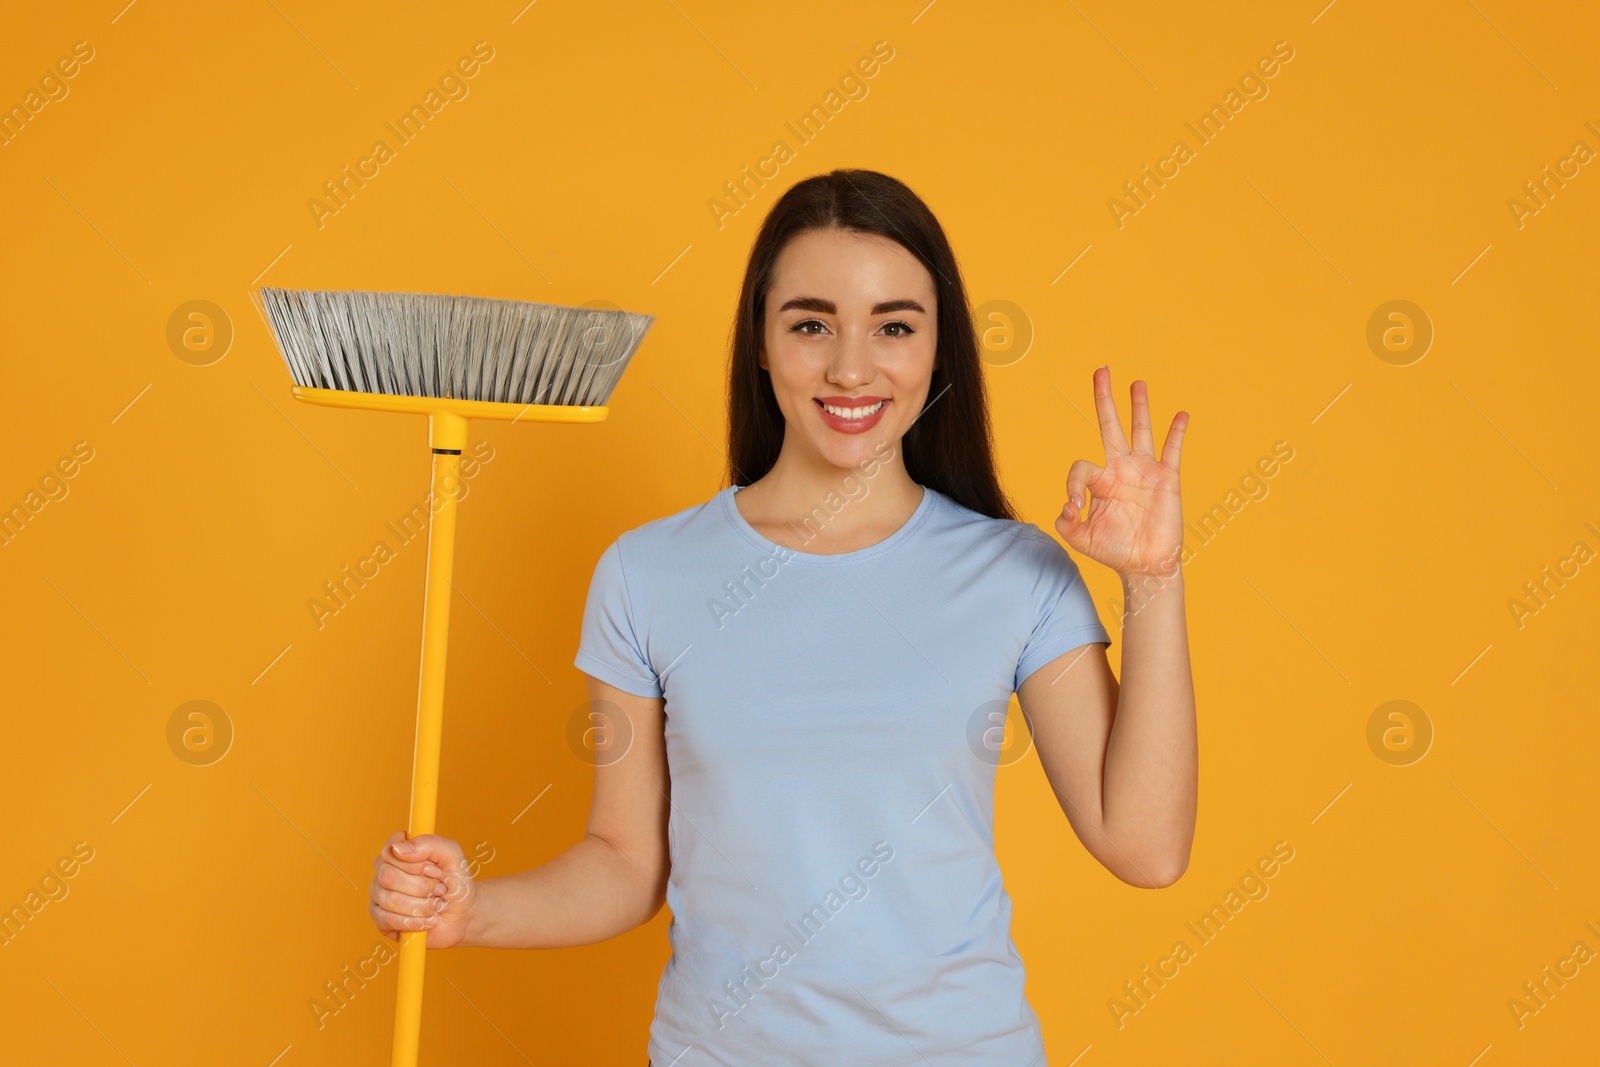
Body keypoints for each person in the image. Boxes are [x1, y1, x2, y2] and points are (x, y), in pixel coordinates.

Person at [369, 168, 1197, 1066]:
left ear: (938, 350)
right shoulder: (646, 575)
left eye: (893, 326)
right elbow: (624, 858)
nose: (851, 366)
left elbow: (1146, 845)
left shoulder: (1014, 572)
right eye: (810, 324)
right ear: (761, 343)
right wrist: (470, 907)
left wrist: (1153, 578)